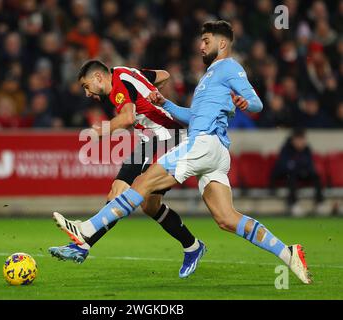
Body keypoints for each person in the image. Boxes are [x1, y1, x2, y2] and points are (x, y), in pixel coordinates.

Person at [53, 21, 312, 284]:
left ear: (222, 43)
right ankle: (287, 253)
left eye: (206, 40)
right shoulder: (205, 80)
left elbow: (256, 103)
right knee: (225, 218)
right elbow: (189, 113)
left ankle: (86, 230)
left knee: (141, 185)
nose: (201, 45)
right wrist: (165, 102)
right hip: (211, 149)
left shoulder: (229, 67)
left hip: (197, 143)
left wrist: (245, 102)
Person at [49, 60, 203, 278]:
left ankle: (84, 241)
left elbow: (127, 117)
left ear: (98, 78)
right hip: (150, 139)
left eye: (86, 86)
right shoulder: (127, 73)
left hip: (167, 137)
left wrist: (100, 130)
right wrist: (149, 95)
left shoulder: (118, 86)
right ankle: (83, 246)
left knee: (133, 198)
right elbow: (164, 74)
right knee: (135, 199)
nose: (87, 93)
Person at [270, 128, 327, 217]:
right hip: (285, 174)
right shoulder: (286, 149)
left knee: (316, 176)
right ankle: (293, 204)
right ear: (293, 140)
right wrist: (299, 166)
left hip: (300, 173)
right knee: (291, 177)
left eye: (302, 140)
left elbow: (309, 164)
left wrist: (302, 168)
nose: (301, 142)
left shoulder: (307, 149)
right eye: (298, 140)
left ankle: (320, 203)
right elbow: (285, 166)